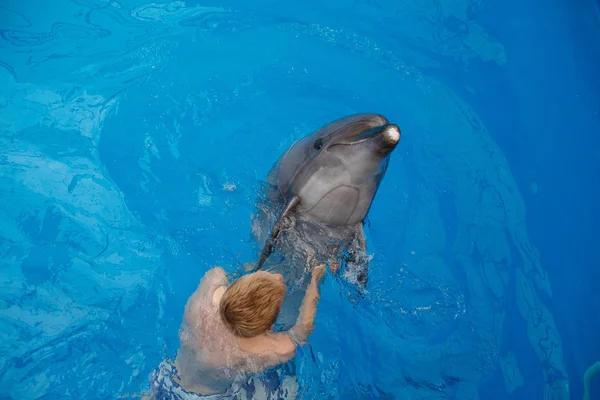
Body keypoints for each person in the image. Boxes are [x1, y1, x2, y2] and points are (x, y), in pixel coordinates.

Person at [140, 260, 326, 399]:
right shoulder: (267, 349)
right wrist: (315, 282)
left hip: (166, 377)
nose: (279, 277)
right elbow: (302, 331)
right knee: (288, 385)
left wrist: (252, 283)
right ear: (269, 327)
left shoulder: (207, 291)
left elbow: (223, 276)